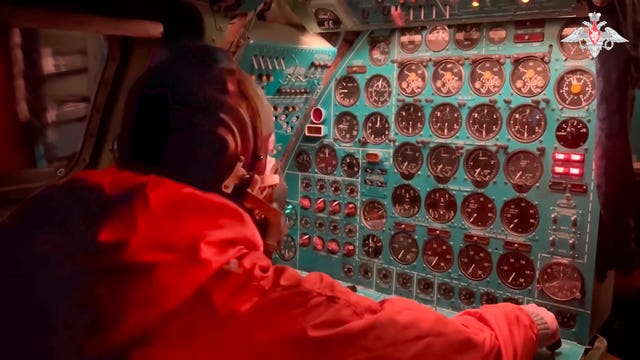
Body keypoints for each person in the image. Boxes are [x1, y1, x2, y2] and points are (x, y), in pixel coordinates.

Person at [1, 43, 559, 360]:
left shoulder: (31, 227)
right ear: (237, 168)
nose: (274, 174)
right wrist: (524, 324)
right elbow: (451, 352)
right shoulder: (264, 305)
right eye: (269, 157)